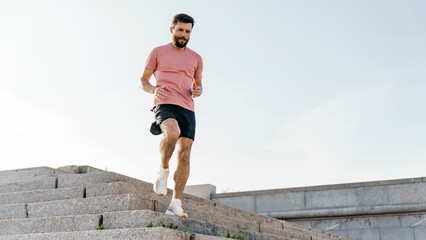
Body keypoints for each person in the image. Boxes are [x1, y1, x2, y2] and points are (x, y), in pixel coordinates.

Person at [139, 13, 203, 218]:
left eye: (187, 31)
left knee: (185, 152)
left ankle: (176, 202)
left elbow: (198, 85)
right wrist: (152, 90)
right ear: (172, 30)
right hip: (164, 102)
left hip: (187, 107)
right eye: (180, 30)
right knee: (172, 133)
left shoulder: (196, 58)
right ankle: (163, 170)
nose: (184, 34)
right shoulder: (158, 52)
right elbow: (143, 80)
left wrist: (198, 90)